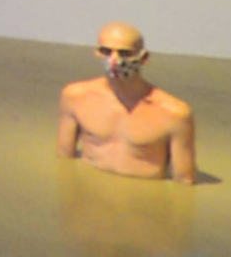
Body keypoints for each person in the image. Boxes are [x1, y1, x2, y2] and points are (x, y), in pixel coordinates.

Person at [57, 23, 198, 182]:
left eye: (125, 53)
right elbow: (64, 160)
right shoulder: (75, 97)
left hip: (142, 192)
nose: (114, 60)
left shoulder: (174, 114)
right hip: (89, 187)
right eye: (106, 51)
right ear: (97, 52)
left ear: (144, 58)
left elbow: (184, 180)